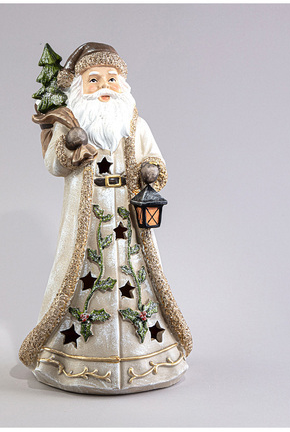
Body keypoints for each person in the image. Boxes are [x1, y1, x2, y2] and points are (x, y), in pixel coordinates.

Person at [19, 42, 192, 394]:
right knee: (82, 277)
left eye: (111, 79)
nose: (104, 86)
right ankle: (75, 360)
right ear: (78, 86)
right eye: (94, 79)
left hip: (128, 219)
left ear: (122, 84)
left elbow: (156, 160)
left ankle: (146, 358)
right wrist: (71, 147)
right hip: (88, 221)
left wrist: (149, 170)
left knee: (136, 273)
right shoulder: (69, 123)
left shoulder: (134, 124)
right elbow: (54, 165)